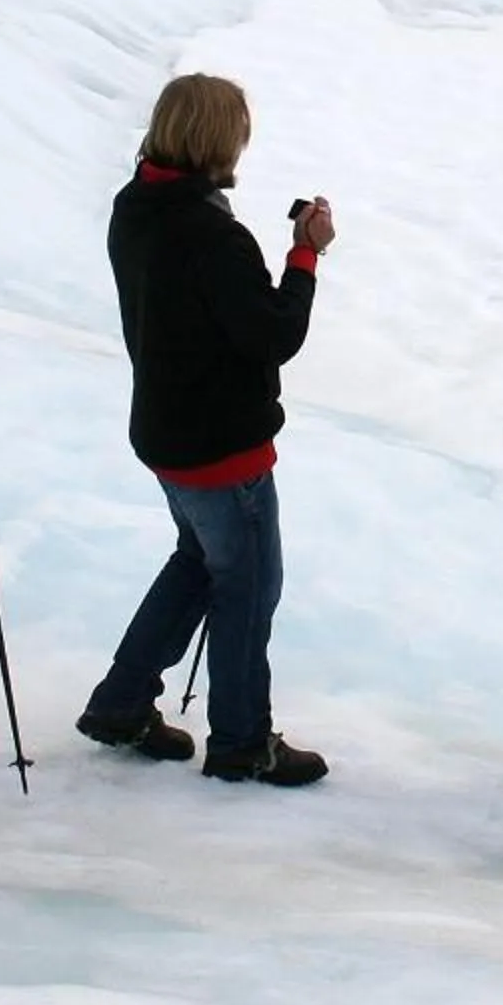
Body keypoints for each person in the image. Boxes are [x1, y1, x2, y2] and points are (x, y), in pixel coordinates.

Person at [78, 72, 335, 786]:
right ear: (219, 141)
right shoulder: (213, 235)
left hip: (166, 436)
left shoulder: (134, 208)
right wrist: (305, 255)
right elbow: (273, 335)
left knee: (198, 563)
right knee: (248, 587)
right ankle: (242, 741)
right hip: (225, 448)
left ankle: (122, 703)